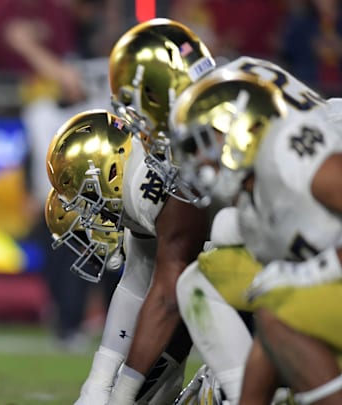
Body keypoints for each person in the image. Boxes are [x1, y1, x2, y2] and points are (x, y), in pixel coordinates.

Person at [169, 59, 342, 403]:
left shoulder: (287, 145)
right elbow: (269, 333)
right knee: (275, 315)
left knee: (282, 311)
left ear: (241, 128)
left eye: (205, 144)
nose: (200, 162)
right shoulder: (251, 205)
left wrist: (320, 270)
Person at [68, 19, 218, 405]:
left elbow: (167, 292)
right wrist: (100, 383)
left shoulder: (171, 160)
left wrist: (119, 394)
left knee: (222, 258)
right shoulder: (188, 129)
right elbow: (136, 282)